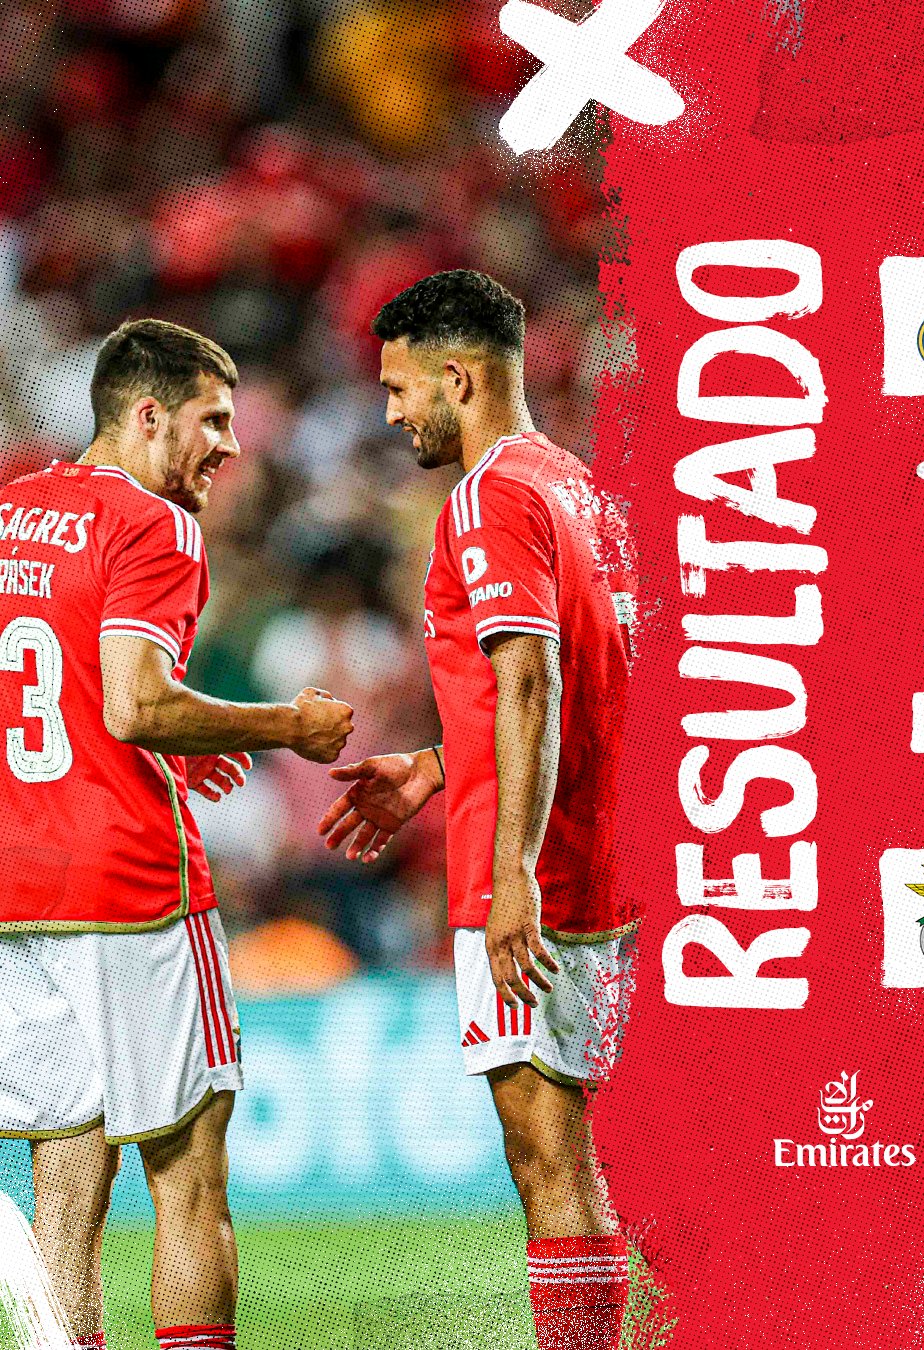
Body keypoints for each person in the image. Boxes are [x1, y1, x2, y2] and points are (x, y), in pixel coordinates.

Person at [0, 319, 354, 1350]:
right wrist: (283, 725)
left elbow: (74, 695)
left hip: (16, 886)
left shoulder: (11, 514)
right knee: (189, 1175)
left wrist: (172, 741)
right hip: (128, 885)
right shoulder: (152, 523)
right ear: (148, 415)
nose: (230, 446)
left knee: (64, 1177)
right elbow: (136, 703)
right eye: (213, 420)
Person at [319, 271, 637, 1350]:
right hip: (609, 856)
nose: (392, 413)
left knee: (549, 1153)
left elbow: (533, 683)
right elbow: (593, 691)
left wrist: (513, 876)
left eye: (400, 388)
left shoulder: (487, 497)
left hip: (537, 871)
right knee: (599, 1158)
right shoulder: (578, 488)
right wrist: (433, 764)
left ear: (458, 378)